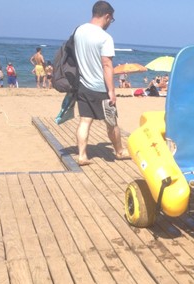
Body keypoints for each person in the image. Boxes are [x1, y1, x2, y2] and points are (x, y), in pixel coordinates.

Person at [73, 1, 129, 166]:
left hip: (83, 84)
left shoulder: (79, 31)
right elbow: (107, 65)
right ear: (107, 16)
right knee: (112, 123)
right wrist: (111, 90)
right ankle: (119, 151)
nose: (110, 23)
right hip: (101, 87)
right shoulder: (105, 37)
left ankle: (82, 155)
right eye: (111, 20)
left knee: (84, 121)